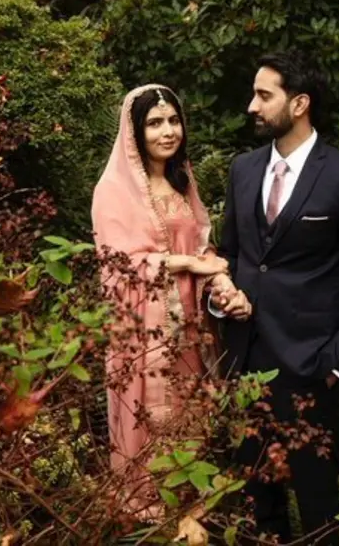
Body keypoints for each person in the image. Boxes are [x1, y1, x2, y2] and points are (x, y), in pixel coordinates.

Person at [210, 51, 339, 544]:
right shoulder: (243, 170)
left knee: (317, 508)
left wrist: (336, 364)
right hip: (244, 361)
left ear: (300, 103)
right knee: (251, 505)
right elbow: (229, 256)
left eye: (264, 95)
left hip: (309, 367)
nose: (252, 105)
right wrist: (220, 296)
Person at [91, 84, 233, 520]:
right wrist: (190, 262)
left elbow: (203, 242)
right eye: (155, 123)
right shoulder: (113, 190)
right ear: (135, 131)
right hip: (145, 331)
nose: (167, 131)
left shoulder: (181, 182)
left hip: (190, 330)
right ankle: (146, 515)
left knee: (191, 416)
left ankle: (191, 514)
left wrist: (219, 278)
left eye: (173, 121)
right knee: (149, 420)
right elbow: (120, 266)